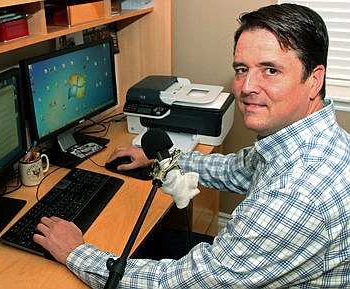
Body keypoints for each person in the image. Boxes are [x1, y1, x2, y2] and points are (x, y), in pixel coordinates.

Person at [33, 3, 349, 288]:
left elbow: (178, 283)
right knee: (155, 239)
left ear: (314, 79)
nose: (247, 87)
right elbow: (237, 169)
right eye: (242, 70)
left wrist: (76, 253)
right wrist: (160, 159)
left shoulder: (299, 191)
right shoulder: (305, 141)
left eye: (271, 70)